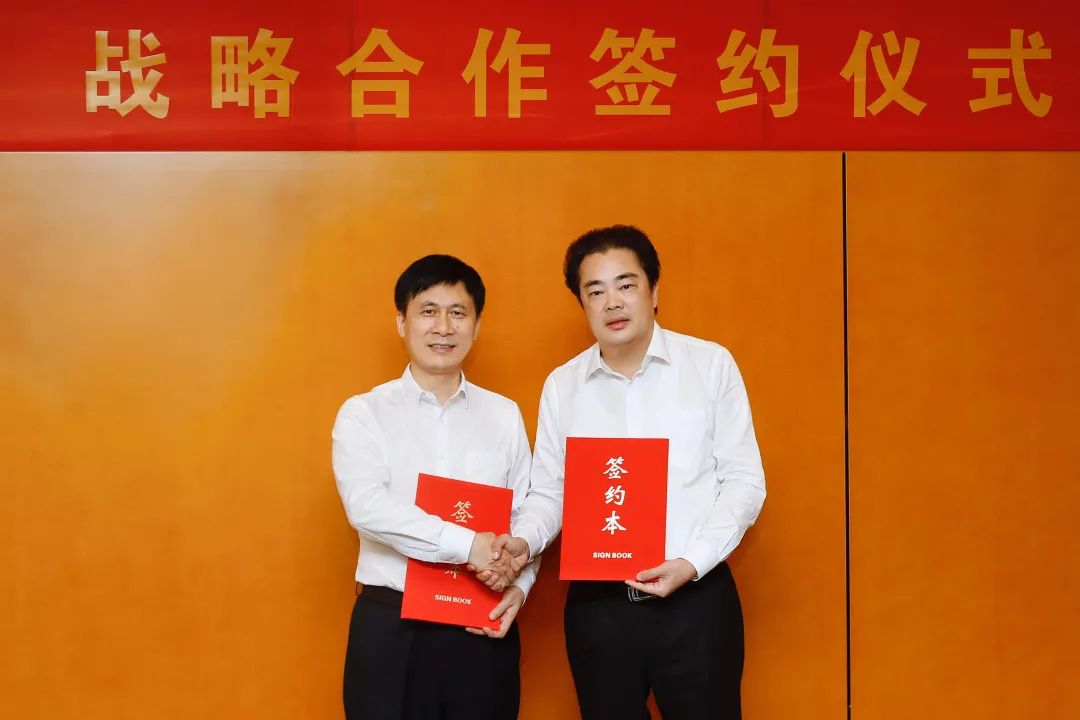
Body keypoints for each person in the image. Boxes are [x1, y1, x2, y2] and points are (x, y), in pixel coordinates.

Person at [494, 225, 766, 719]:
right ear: (582, 304)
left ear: (653, 291)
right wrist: (525, 541)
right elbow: (551, 491)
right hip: (599, 609)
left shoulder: (709, 366)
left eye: (626, 284)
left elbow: (744, 482)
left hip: (696, 600)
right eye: (595, 291)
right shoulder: (563, 385)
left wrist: (692, 561)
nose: (612, 302)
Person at [332, 254, 536, 720]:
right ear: (401, 322)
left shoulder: (503, 414)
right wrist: (469, 545)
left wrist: (519, 586)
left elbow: (524, 514)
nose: (443, 327)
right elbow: (367, 507)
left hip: (481, 622)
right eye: (428, 311)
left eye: (458, 313)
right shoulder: (364, 413)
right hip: (392, 627)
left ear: (476, 325)